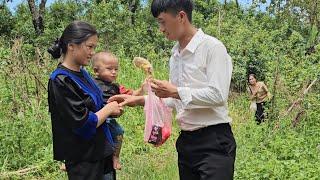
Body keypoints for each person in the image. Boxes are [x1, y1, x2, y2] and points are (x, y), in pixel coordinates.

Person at [108, 0, 236, 179]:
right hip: (186, 141)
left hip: (214, 141)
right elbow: (174, 100)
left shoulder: (212, 48)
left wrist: (175, 91)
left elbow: (218, 95)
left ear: (181, 16)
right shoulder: (175, 56)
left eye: (162, 21)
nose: (161, 28)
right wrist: (138, 100)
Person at [47, 21, 122, 180]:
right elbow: (83, 123)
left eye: (94, 47)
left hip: (102, 153)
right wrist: (108, 109)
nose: (92, 53)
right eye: (89, 47)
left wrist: (113, 106)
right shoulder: (60, 80)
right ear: (71, 45)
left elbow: (96, 105)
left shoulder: (83, 73)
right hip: (84, 161)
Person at [92, 51, 146, 170]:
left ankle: (115, 157)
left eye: (116, 69)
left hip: (109, 120)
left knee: (118, 131)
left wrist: (142, 89)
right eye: (109, 69)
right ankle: (67, 159)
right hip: (94, 117)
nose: (114, 72)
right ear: (96, 71)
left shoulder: (116, 87)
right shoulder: (90, 84)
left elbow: (132, 96)